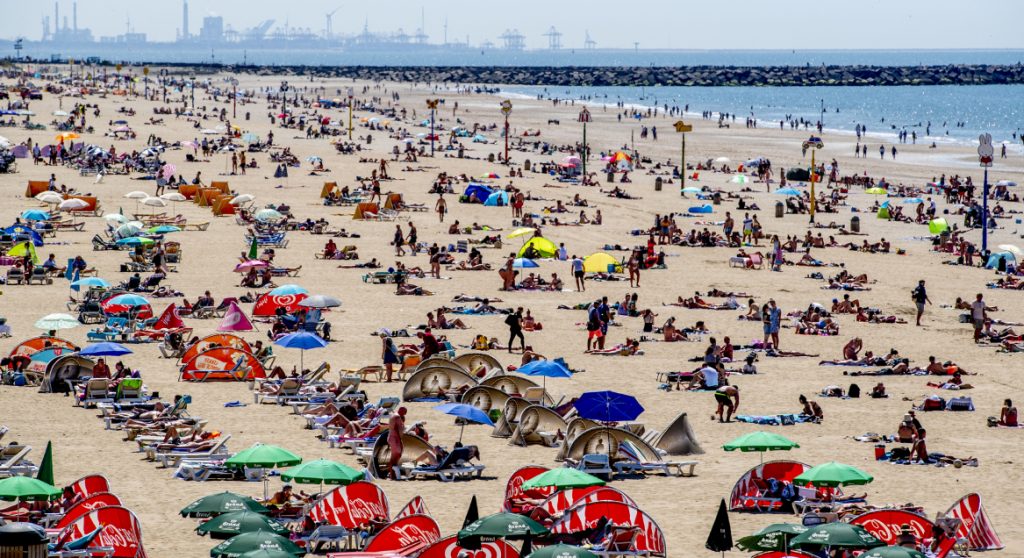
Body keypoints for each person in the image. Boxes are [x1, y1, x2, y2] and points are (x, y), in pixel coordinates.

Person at [386, 407, 408, 480]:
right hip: (395, 439)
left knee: (394, 457)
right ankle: (392, 475)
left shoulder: (393, 415)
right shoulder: (397, 417)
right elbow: (400, 430)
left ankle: (392, 474)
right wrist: (403, 437)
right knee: (396, 457)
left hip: (391, 437)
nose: (404, 415)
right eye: (404, 413)